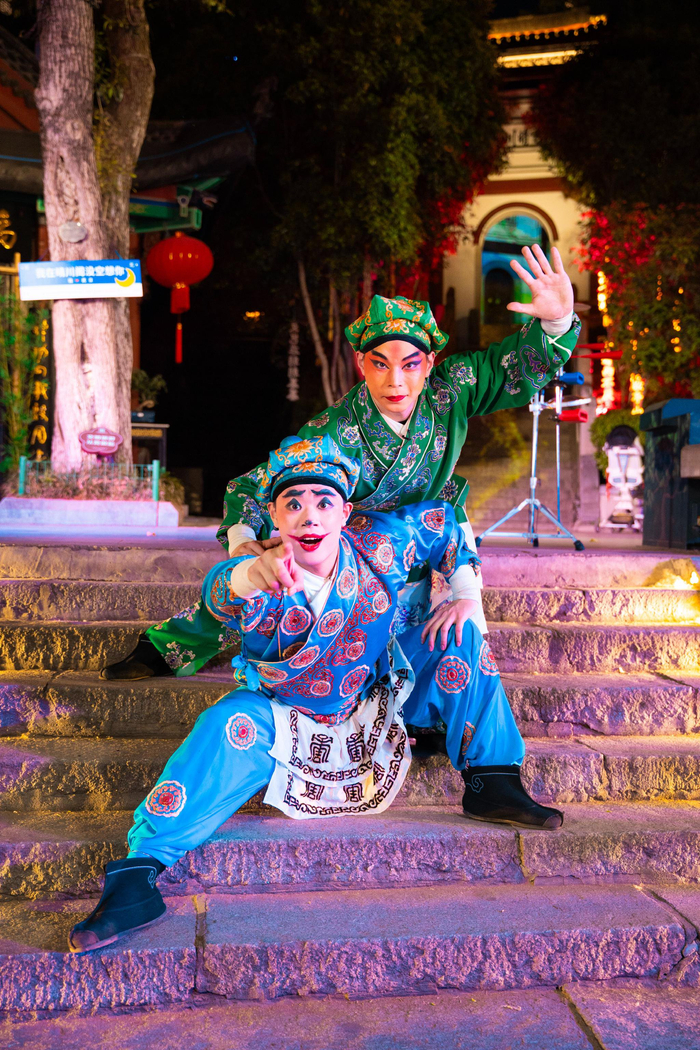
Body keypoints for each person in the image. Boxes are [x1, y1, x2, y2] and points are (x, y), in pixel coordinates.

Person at [69, 436, 562, 954]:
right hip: (285, 717)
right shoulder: (260, 579)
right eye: (294, 504)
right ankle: (139, 874)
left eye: (324, 503)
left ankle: (492, 780)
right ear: (275, 517)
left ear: (346, 513)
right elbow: (220, 591)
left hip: (374, 698)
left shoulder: (378, 543)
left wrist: (464, 596)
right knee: (225, 725)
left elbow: (444, 523)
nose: (310, 517)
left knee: (460, 638)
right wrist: (247, 573)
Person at [104, 244, 579, 681]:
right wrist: (244, 541)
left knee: (457, 638)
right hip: (357, 555)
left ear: (431, 364)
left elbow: (507, 368)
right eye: (380, 364)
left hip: (438, 547)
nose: (395, 381)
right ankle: (168, 646)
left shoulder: (451, 391)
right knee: (274, 574)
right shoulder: (333, 431)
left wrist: (556, 323)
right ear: (360, 364)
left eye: (410, 364)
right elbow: (254, 486)